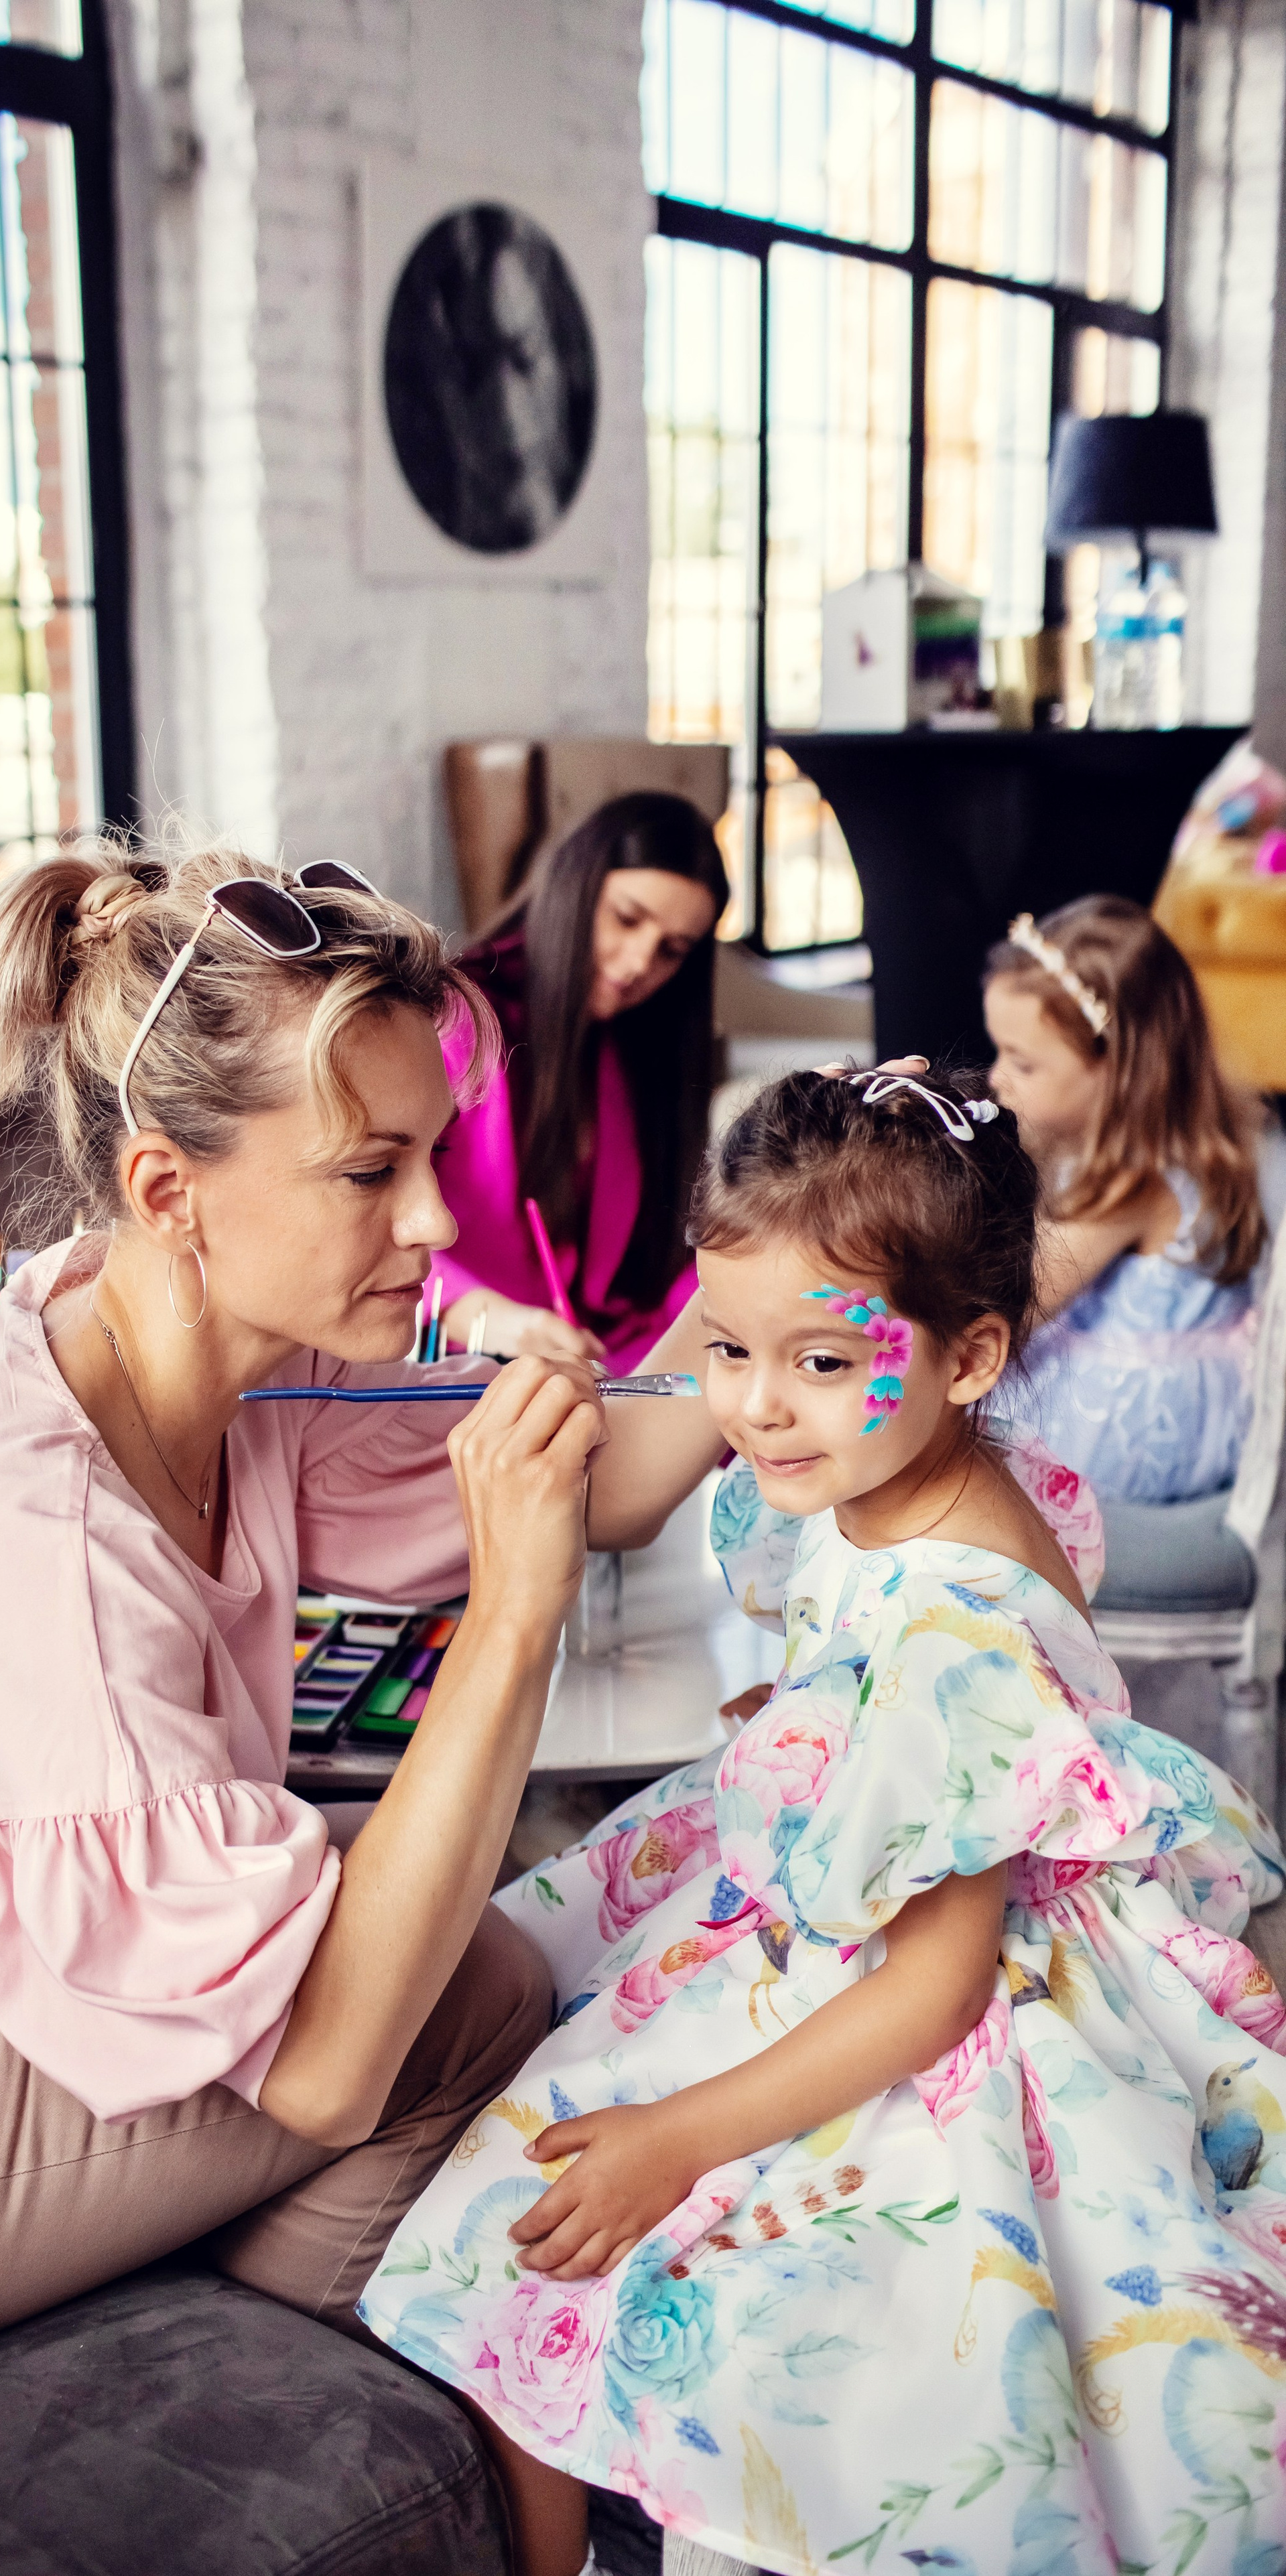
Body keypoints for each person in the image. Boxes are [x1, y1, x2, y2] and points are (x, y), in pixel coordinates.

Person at [0, 835, 647, 2382]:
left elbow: (587, 1469)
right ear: (168, 1188)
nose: (429, 1226)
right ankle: (344, 2363)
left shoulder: (179, 1342)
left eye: (427, 1158)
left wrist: (787, 1346)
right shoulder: (35, 1529)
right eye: (368, 1173)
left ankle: (291, 2314)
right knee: (429, 1983)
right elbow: (335, 2063)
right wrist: (514, 1620)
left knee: (435, 1939)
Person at [358, 1063, 1286, 2576]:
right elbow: (869, 1681)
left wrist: (678, 2136)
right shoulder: (902, 1473)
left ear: (966, 1354)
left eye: (816, 1358)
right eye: (724, 1348)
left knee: (530, 2219)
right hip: (863, 1873)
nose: (754, 1406)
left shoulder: (950, 1621)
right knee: (526, 2140)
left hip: (927, 1995)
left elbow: (928, 1981)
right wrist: (810, 1726)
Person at [431, 791, 728, 1370]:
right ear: (576, 886)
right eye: (626, 918)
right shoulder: (454, 1018)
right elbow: (359, 1215)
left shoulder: (640, 1048)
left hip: (604, 1352)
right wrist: (482, 1315)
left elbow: (662, 1271)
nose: (641, 961)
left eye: (672, 951)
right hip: (456, 1352)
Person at [983, 895, 1266, 1503]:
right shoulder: (1138, 1144)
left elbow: (1020, 1300)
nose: (996, 1077)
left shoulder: (1134, 1179)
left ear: (1119, 1069)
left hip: (1134, 1422)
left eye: (1023, 1064)